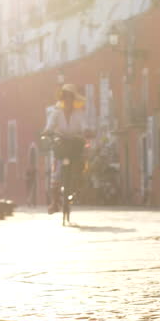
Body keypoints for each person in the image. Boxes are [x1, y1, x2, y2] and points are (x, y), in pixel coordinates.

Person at [44, 83, 92, 223]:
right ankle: (54, 202)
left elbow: (84, 126)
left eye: (70, 97)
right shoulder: (56, 113)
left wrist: (86, 131)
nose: (68, 100)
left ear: (73, 99)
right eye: (65, 97)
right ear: (62, 99)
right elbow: (50, 126)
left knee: (80, 164)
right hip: (61, 145)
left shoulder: (79, 114)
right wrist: (47, 131)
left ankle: (77, 182)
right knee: (56, 171)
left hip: (75, 145)